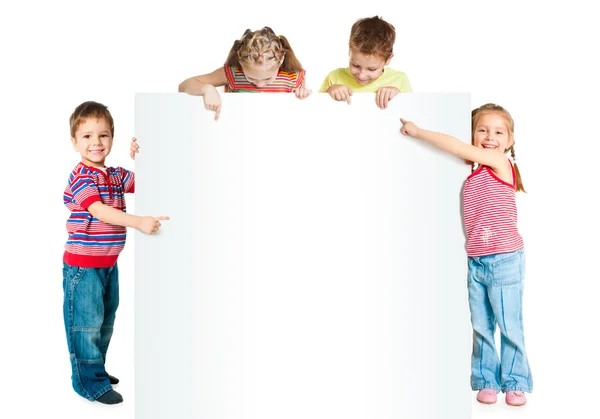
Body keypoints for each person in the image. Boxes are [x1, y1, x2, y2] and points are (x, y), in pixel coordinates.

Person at [399, 103, 532, 406]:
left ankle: (515, 381)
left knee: (510, 325)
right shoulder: (475, 170)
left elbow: (456, 145)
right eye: (482, 130)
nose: (489, 137)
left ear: (509, 141)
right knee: (482, 325)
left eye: (498, 132)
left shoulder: (499, 162)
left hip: (505, 258)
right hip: (477, 260)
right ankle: (486, 379)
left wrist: (419, 132)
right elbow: (458, 149)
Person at [63, 101, 169, 404]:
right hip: (83, 267)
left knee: (104, 322)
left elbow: (148, 180)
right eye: (87, 136)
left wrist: (143, 154)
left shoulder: (114, 175)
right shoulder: (82, 177)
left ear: (112, 138)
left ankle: (94, 368)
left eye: (104, 135)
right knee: (84, 325)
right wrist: (137, 222)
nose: (96, 142)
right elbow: (100, 211)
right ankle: (87, 382)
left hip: (108, 263)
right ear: (74, 142)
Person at [179, 26, 311, 120]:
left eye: (267, 78)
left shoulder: (293, 79)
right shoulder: (234, 74)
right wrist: (206, 89)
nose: (259, 84)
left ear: (281, 60)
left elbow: (302, 114)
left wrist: (303, 94)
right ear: (240, 61)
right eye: (251, 78)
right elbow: (184, 86)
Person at [320, 16, 412, 109]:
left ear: (388, 59)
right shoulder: (334, 77)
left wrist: (399, 97)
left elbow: (412, 113)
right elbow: (315, 110)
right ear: (349, 51)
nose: (361, 76)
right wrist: (328, 92)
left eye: (372, 69)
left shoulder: (400, 80)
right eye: (355, 65)